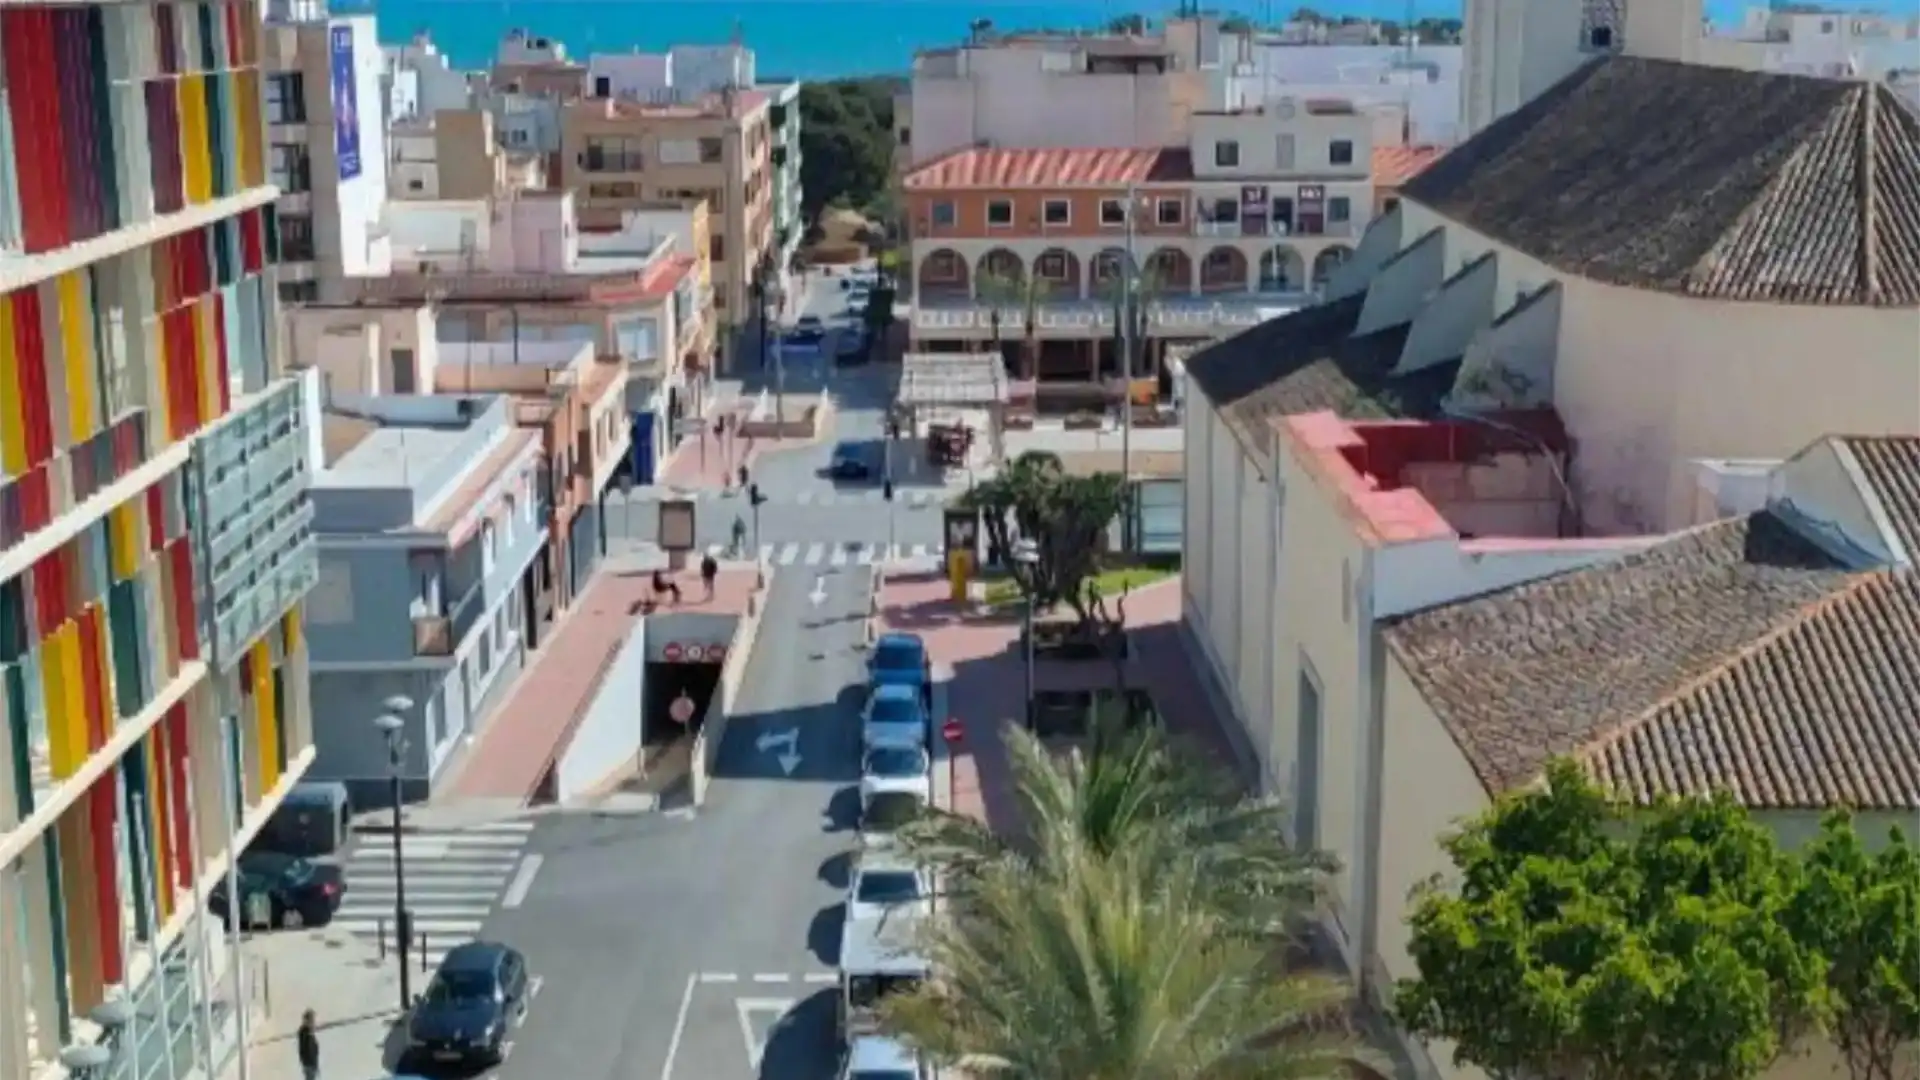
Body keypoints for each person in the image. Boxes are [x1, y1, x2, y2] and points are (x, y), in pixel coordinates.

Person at [297, 1010, 320, 1080]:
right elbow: (305, 1050)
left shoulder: (308, 1032)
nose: (313, 1022)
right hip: (309, 1064)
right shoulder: (305, 1032)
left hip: (311, 1064)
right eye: (311, 1020)